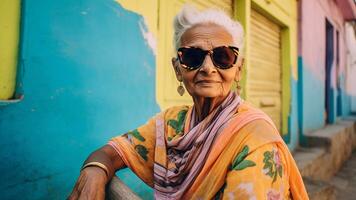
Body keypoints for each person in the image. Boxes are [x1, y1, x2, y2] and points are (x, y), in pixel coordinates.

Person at [68, 5, 308, 200]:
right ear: (177, 70)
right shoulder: (172, 122)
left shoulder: (255, 139)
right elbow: (113, 152)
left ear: (238, 70)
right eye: (193, 57)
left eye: (223, 57)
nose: (207, 68)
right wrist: (94, 170)